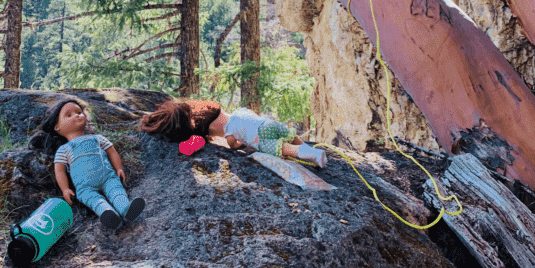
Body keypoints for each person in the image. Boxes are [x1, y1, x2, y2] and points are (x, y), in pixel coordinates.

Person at [41, 98, 146, 231]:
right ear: (57, 127)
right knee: (94, 200)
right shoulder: (64, 149)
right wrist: (65, 189)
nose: (77, 115)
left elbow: (111, 152)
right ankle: (108, 215)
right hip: (84, 187)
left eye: (79, 112)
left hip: (108, 177)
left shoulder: (97, 138)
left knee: (117, 191)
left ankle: (126, 209)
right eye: (69, 115)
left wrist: (119, 168)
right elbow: (59, 170)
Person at [140, 99, 327, 166]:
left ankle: (312, 155)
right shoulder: (239, 112)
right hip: (268, 123)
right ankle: (306, 147)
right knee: (287, 135)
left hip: (259, 137)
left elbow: (231, 144)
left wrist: (238, 145)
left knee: (282, 148)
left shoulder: (229, 131)